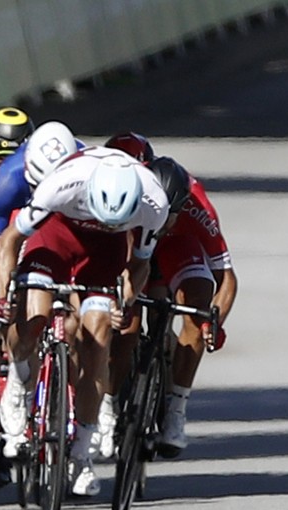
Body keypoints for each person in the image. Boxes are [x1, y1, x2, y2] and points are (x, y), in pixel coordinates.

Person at [0, 147, 168, 496]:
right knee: (34, 317)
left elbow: (139, 264)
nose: (105, 222)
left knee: (98, 338)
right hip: (56, 235)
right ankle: (18, 377)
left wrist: (125, 299)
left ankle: (82, 452)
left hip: (106, 251)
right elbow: (11, 239)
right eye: (103, 216)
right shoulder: (62, 184)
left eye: (114, 220)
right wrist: (3, 292)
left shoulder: (154, 202)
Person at [103, 156, 237, 459]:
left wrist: (214, 321)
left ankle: (176, 409)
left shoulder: (198, 209)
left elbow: (226, 278)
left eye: (171, 214)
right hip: (134, 249)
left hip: (179, 247)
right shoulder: (133, 197)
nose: (164, 218)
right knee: (128, 326)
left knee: (198, 304)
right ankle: (108, 404)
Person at [0, 121, 81, 457]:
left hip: (74, 221)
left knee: (88, 318)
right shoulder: (10, 177)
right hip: (26, 228)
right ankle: (20, 379)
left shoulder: (84, 166)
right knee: (28, 310)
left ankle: (82, 407)